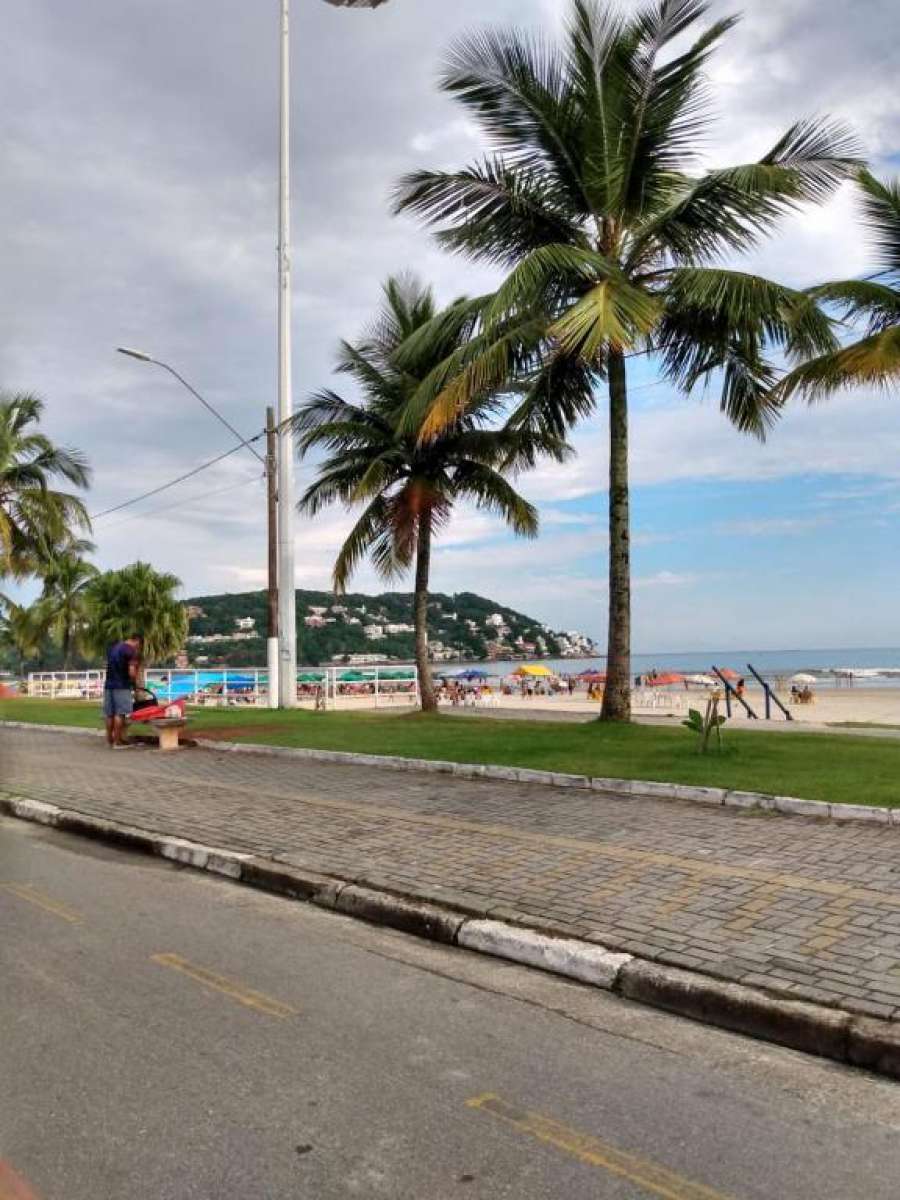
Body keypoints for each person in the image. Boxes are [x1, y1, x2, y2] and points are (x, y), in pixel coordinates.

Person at [103, 634, 142, 748]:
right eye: (138, 645)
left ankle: (109, 740)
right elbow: (131, 671)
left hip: (109, 685)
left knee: (109, 714)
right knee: (120, 714)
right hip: (122, 685)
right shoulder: (131, 651)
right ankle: (117, 742)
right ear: (137, 641)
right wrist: (134, 683)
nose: (137, 647)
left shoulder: (113, 648)